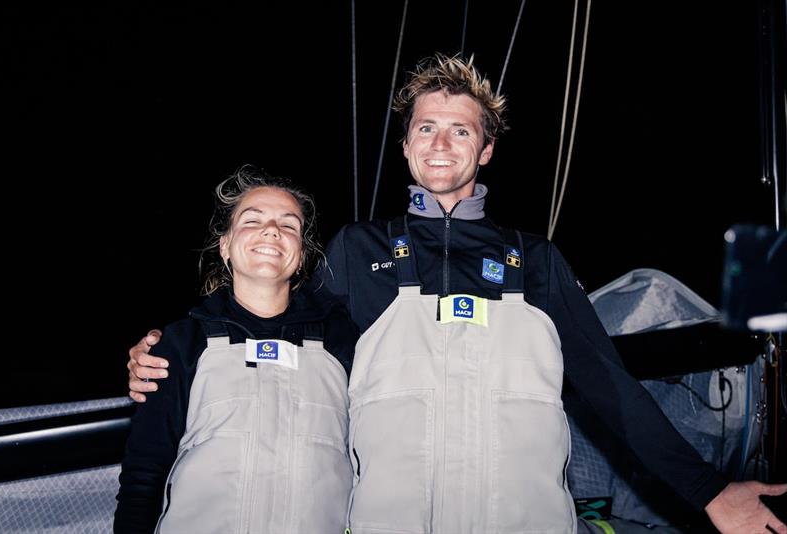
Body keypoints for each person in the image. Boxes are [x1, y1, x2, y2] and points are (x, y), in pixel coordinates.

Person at [128, 55, 787, 533]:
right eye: (425, 128)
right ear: (407, 145)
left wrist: (711, 493)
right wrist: (168, 343)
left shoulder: (535, 260)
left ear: (487, 149)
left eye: (460, 130)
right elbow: (273, 321)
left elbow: (611, 390)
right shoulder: (360, 252)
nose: (440, 143)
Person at [115, 168, 358, 533]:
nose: (272, 230)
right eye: (252, 220)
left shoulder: (343, 344)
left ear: (303, 254)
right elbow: (143, 475)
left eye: (289, 225)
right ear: (225, 245)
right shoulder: (181, 344)